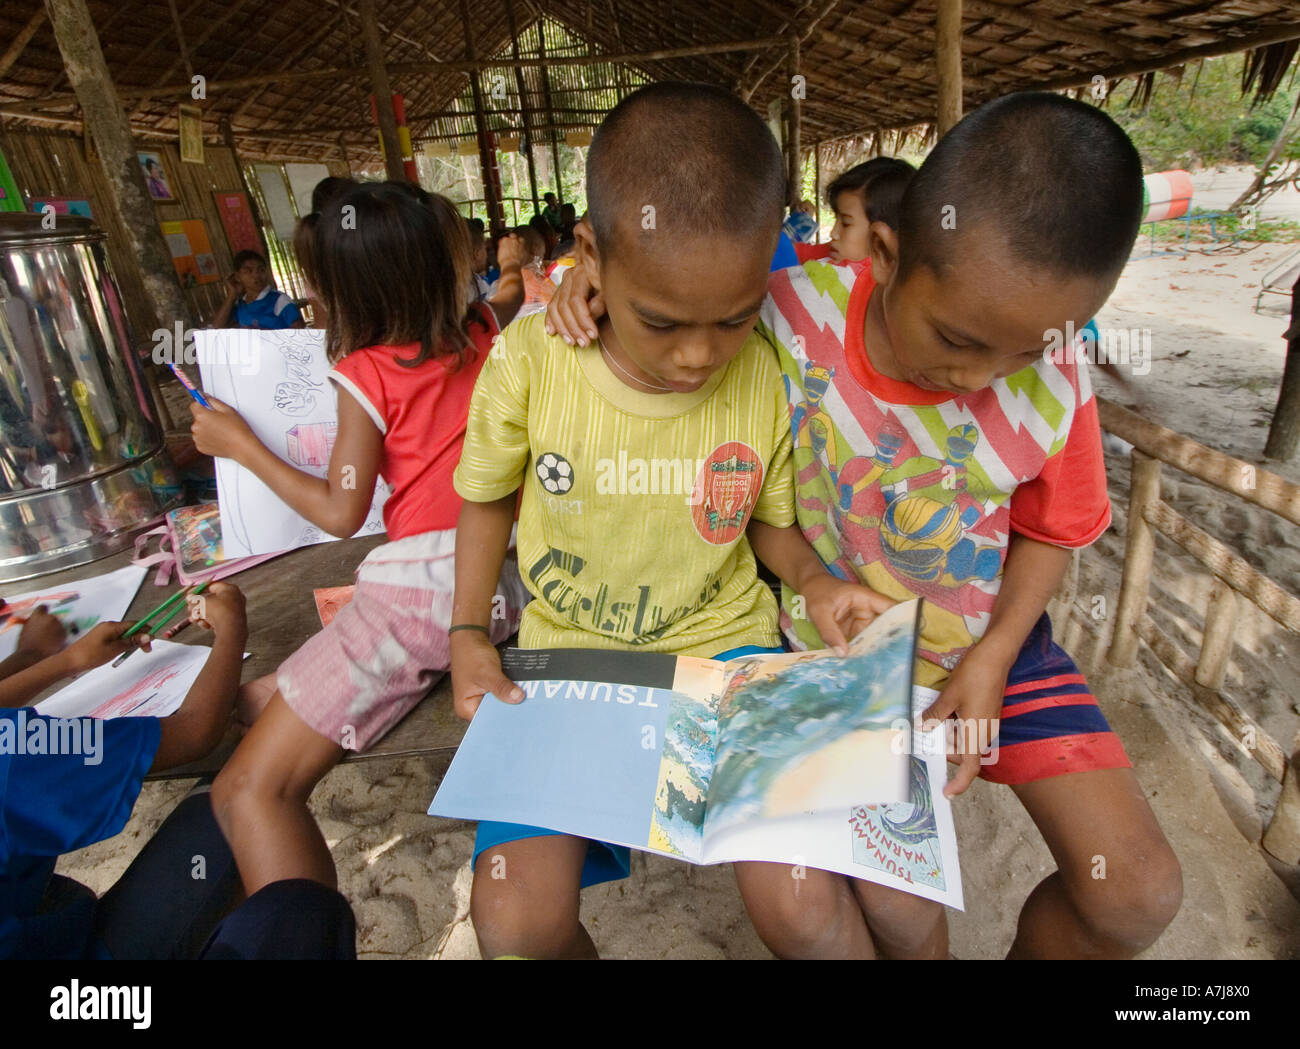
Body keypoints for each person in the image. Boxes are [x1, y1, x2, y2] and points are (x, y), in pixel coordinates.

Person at [547, 92, 1183, 960]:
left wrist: (995, 655)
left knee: (1137, 893)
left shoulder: (1058, 374)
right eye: (957, 337)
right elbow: (677, 283)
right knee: (802, 910)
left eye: (1024, 349)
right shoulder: (787, 310)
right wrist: (585, 280)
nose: (982, 376)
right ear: (885, 252)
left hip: (987, 644)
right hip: (811, 644)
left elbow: (1054, 529)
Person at [450, 82, 894, 961]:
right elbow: (488, 494)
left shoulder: (763, 372)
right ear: (590, 255)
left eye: (732, 318)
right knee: (514, 923)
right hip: (566, 652)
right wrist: (467, 627)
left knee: (805, 906)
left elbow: (767, 522)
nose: (698, 355)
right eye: (663, 321)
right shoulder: (532, 360)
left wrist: (814, 581)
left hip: (726, 644)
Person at [190, 182, 530, 901]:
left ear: (347, 290)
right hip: (506, 581)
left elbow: (342, 512)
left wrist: (239, 444)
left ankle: (290, 934)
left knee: (248, 789)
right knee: (257, 696)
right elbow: (506, 293)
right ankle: (273, 700)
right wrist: (517, 266)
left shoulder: (365, 373)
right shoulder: (479, 329)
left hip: (422, 596)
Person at [801, 156, 914, 264]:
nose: (833, 233)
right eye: (836, 219)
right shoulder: (831, 255)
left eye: (846, 223)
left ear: (880, 240)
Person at [211, 249, 305, 330]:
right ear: (237, 277)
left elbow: (299, 331)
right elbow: (216, 327)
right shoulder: (241, 304)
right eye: (248, 271)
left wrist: (260, 332)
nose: (256, 275)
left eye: (261, 270)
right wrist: (232, 295)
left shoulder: (279, 300)